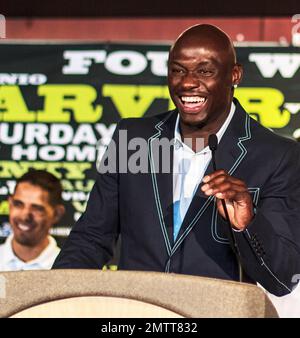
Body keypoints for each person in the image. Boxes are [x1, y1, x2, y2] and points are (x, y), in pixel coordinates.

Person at [53, 24, 300, 298]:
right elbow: (91, 238)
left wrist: (247, 223)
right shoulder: (134, 138)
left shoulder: (276, 155)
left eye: (205, 71)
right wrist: (51, 300)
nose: (187, 83)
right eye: (177, 70)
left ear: (234, 75)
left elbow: (283, 279)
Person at [0, 170, 65, 271]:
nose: (25, 216)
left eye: (37, 208)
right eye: (18, 204)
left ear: (57, 214)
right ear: (10, 204)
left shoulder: (69, 270)